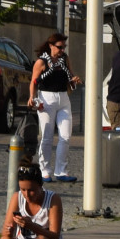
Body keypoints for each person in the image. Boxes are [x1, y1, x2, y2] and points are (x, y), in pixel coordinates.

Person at [29, 34, 81, 183]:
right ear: (51, 45)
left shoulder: (64, 59)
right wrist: (32, 97)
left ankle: (61, 171)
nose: (62, 49)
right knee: (47, 136)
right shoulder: (42, 61)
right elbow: (33, 81)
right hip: (47, 98)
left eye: (64, 47)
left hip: (63, 98)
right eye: (59, 47)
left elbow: (69, 78)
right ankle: (44, 170)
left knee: (65, 135)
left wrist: (74, 80)